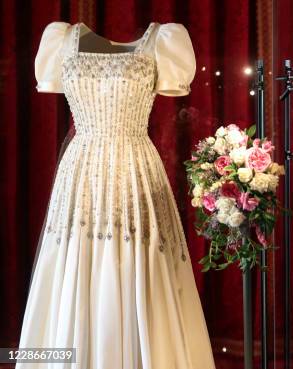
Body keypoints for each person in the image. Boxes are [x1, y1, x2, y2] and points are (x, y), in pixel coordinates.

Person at [17, 22, 216, 369]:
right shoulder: (60, 40)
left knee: (139, 256)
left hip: (134, 165)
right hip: (82, 171)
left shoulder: (164, 41)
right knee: (76, 258)